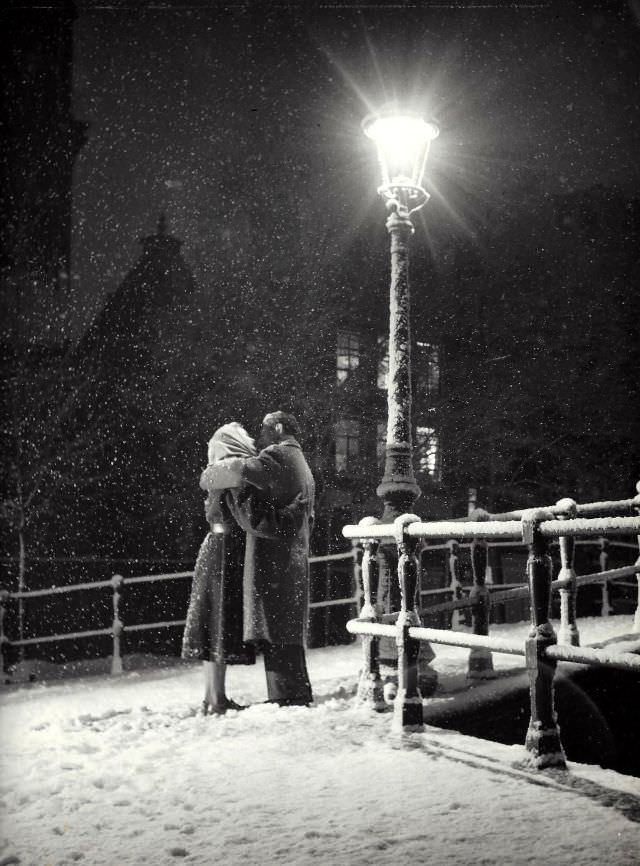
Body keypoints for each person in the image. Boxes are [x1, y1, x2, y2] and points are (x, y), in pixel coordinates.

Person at [182, 422, 304, 715]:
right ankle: (217, 699)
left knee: (213, 625)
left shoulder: (217, 474)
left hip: (213, 546)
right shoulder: (234, 475)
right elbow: (249, 516)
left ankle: (212, 696)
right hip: (228, 553)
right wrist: (286, 519)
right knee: (221, 624)